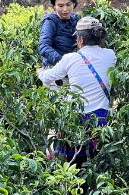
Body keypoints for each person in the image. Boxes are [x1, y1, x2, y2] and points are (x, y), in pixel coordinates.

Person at [37, 16, 115, 166]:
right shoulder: (111, 55)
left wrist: (40, 72)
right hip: (100, 123)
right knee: (96, 164)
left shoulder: (70, 58)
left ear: (79, 40)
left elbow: (47, 77)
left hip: (76, 122)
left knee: (75, 166)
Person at [39, 0, 80, 68]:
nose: (65, 9)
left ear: (74, 3)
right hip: (54, 70)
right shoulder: (50, 22)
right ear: (54, 6)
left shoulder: (77, 20)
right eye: (60, 6)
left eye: (68, 4)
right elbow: (44, 46)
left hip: (73, 70)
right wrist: (63, 63)